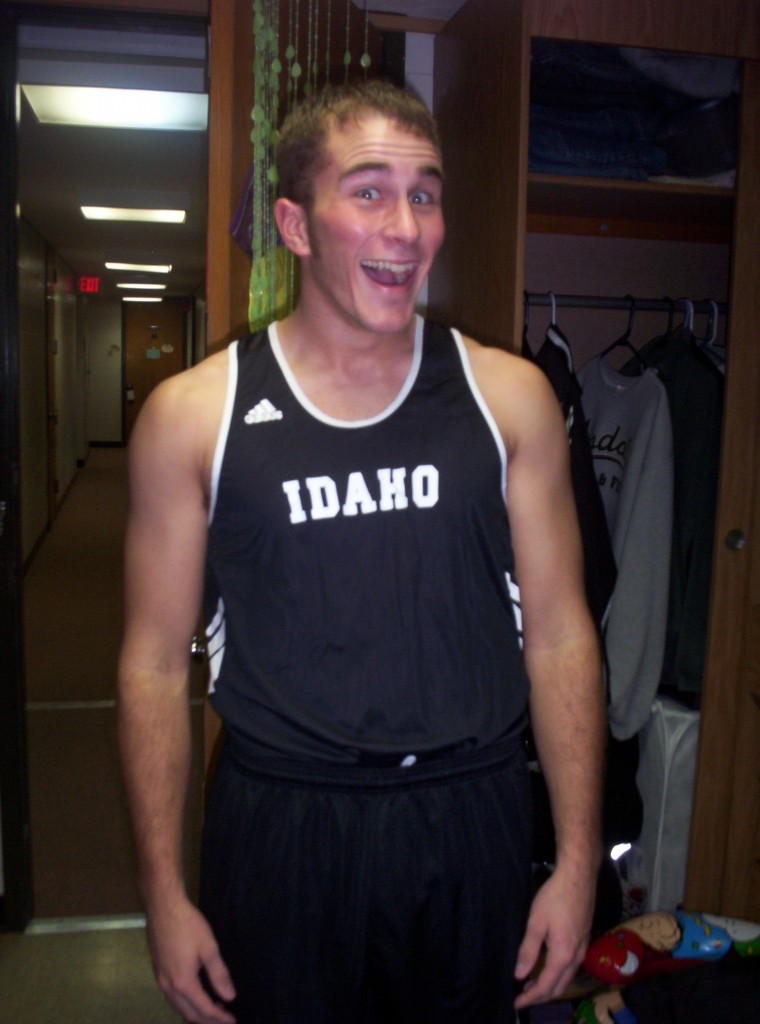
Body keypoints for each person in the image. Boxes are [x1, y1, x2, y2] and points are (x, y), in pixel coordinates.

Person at [118, 79, 605, 1024]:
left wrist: (578, 863)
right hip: (283, 829)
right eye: (370, 191)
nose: (407, 225)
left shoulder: (510, 401)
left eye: (424, 194)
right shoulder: (191, 418)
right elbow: (147, 666)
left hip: (471, 820)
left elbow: (557, 636)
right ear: (297, 225)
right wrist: (164, 893)